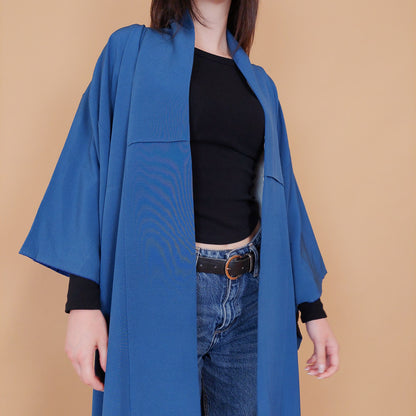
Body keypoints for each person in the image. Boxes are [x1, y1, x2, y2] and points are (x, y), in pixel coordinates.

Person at [19, 1, 339, 414]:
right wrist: (83, 302)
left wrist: (312, 310)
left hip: (250, 299)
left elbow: (282, 196)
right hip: (158, 288)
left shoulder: (261, 85)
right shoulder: (131, 51)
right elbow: (88, 164)